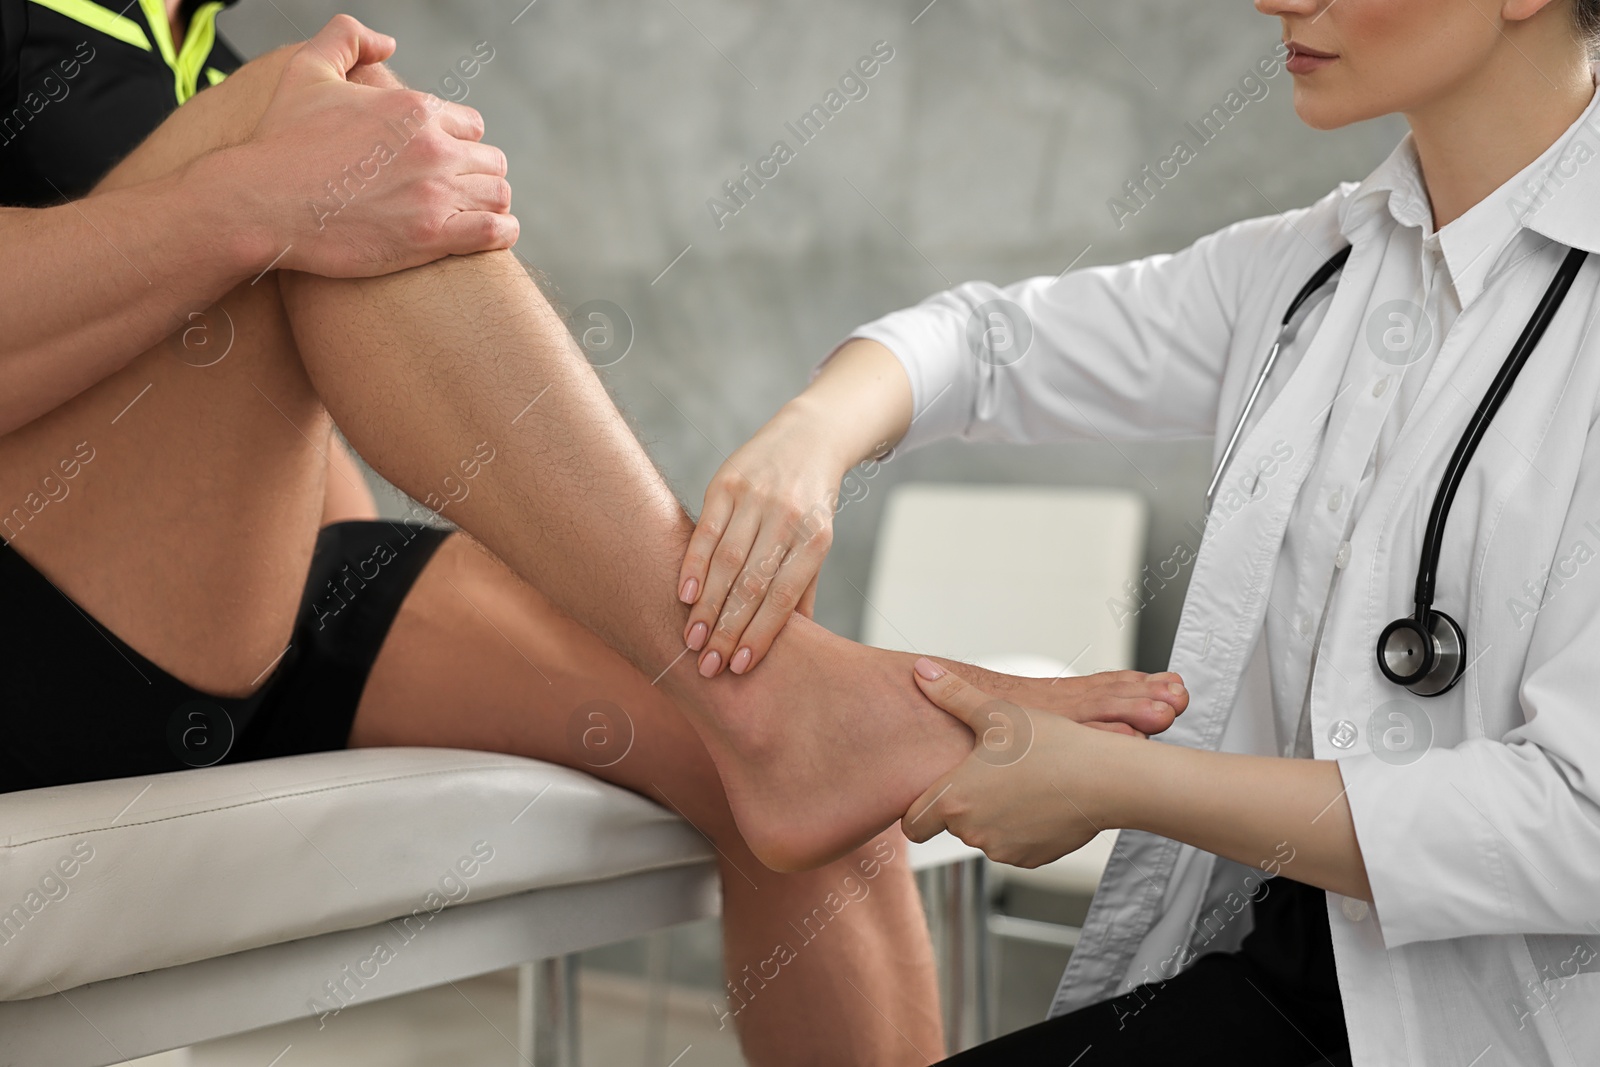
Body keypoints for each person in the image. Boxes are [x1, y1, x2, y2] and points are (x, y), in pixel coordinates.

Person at [0, 2, 1192, 1063]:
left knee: (771, 747)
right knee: (317, 125)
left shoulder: (201, 44)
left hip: (224, 599)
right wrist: (251, 201)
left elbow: (240, 420)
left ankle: (778, 705)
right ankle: (784, 700)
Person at [685, 0, 1600, 1063]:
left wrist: (1113, 781)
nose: (1276, 1)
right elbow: (981, 346)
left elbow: (1576, 822)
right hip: (1296, 978)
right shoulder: (1320, 267)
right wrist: (812, 436)